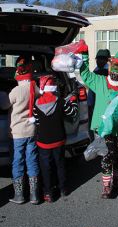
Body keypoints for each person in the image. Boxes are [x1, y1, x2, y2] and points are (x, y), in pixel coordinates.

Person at [77, 43, 118, 199]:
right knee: (107, 155)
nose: (116, 72)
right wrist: (84, 55)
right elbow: (85, 74)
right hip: (104, 128)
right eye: (114, 69)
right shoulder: (101, 82)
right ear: (110, 69)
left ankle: (115, 181)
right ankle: (106, 186)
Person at [33, 75, 78, 202]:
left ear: (42, 88)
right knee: (60, 164)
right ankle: (63, 189)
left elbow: (36, 122)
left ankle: (48, 192)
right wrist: (73, 101)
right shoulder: (61, 101)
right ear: (54, 87)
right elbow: (73, 113)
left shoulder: (36, 103)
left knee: (46, 167)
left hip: (43, 141)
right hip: (59, 139)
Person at [8, 56, 40, 205]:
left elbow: (3, 105)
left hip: (18, 133)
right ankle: (34, 195)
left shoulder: (15, 91)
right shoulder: (34, 87)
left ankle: (19, 195)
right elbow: (41, 96)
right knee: (32, 160)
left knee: (18, 161)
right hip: (32, 130)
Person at [87, 49, 111, 140]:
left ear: (106, 60)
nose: (98, 61)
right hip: (94, 102)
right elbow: (92, 89)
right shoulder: (96, 70)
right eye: (97, 59)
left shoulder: (106, 72)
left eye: (101, 59)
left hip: (101, 104)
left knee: (101, 127)